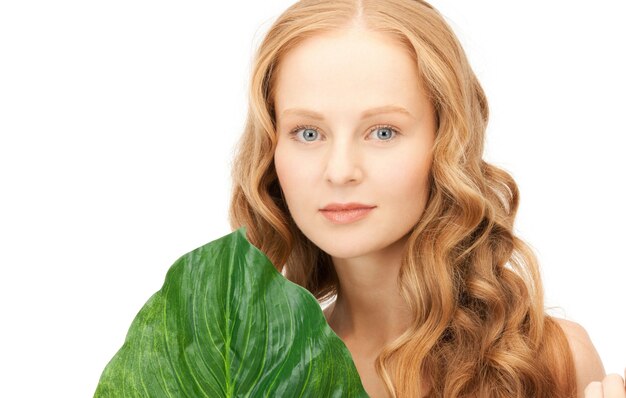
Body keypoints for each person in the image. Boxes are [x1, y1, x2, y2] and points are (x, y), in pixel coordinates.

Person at [227, 0, 625, 397]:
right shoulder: (251, 373)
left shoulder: (550, 361)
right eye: (308, 133)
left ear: (446, 141)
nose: (340, 170)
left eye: (383, 132)